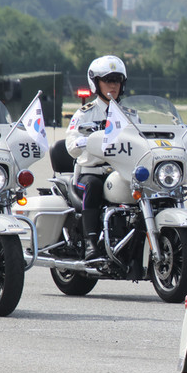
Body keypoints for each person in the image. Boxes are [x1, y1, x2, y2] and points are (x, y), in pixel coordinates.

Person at [66, 55, 127, 259]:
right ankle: (90, 242)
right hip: (91, 173)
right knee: (93, 186)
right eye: (107, 80)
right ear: (96, 83)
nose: (113, 85)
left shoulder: (129, 115)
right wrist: (84, 142)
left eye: (117, 80)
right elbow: (71, 145)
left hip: (121, 173)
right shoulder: (85, 114)